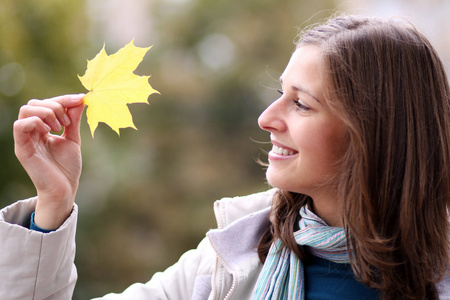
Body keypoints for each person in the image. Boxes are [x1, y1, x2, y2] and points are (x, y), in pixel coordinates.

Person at [1, 14, 450, 299]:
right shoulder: (224, 264)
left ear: (373, 133)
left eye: (301, 103)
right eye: (280, 94)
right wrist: (52, 205)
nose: (266, 118)